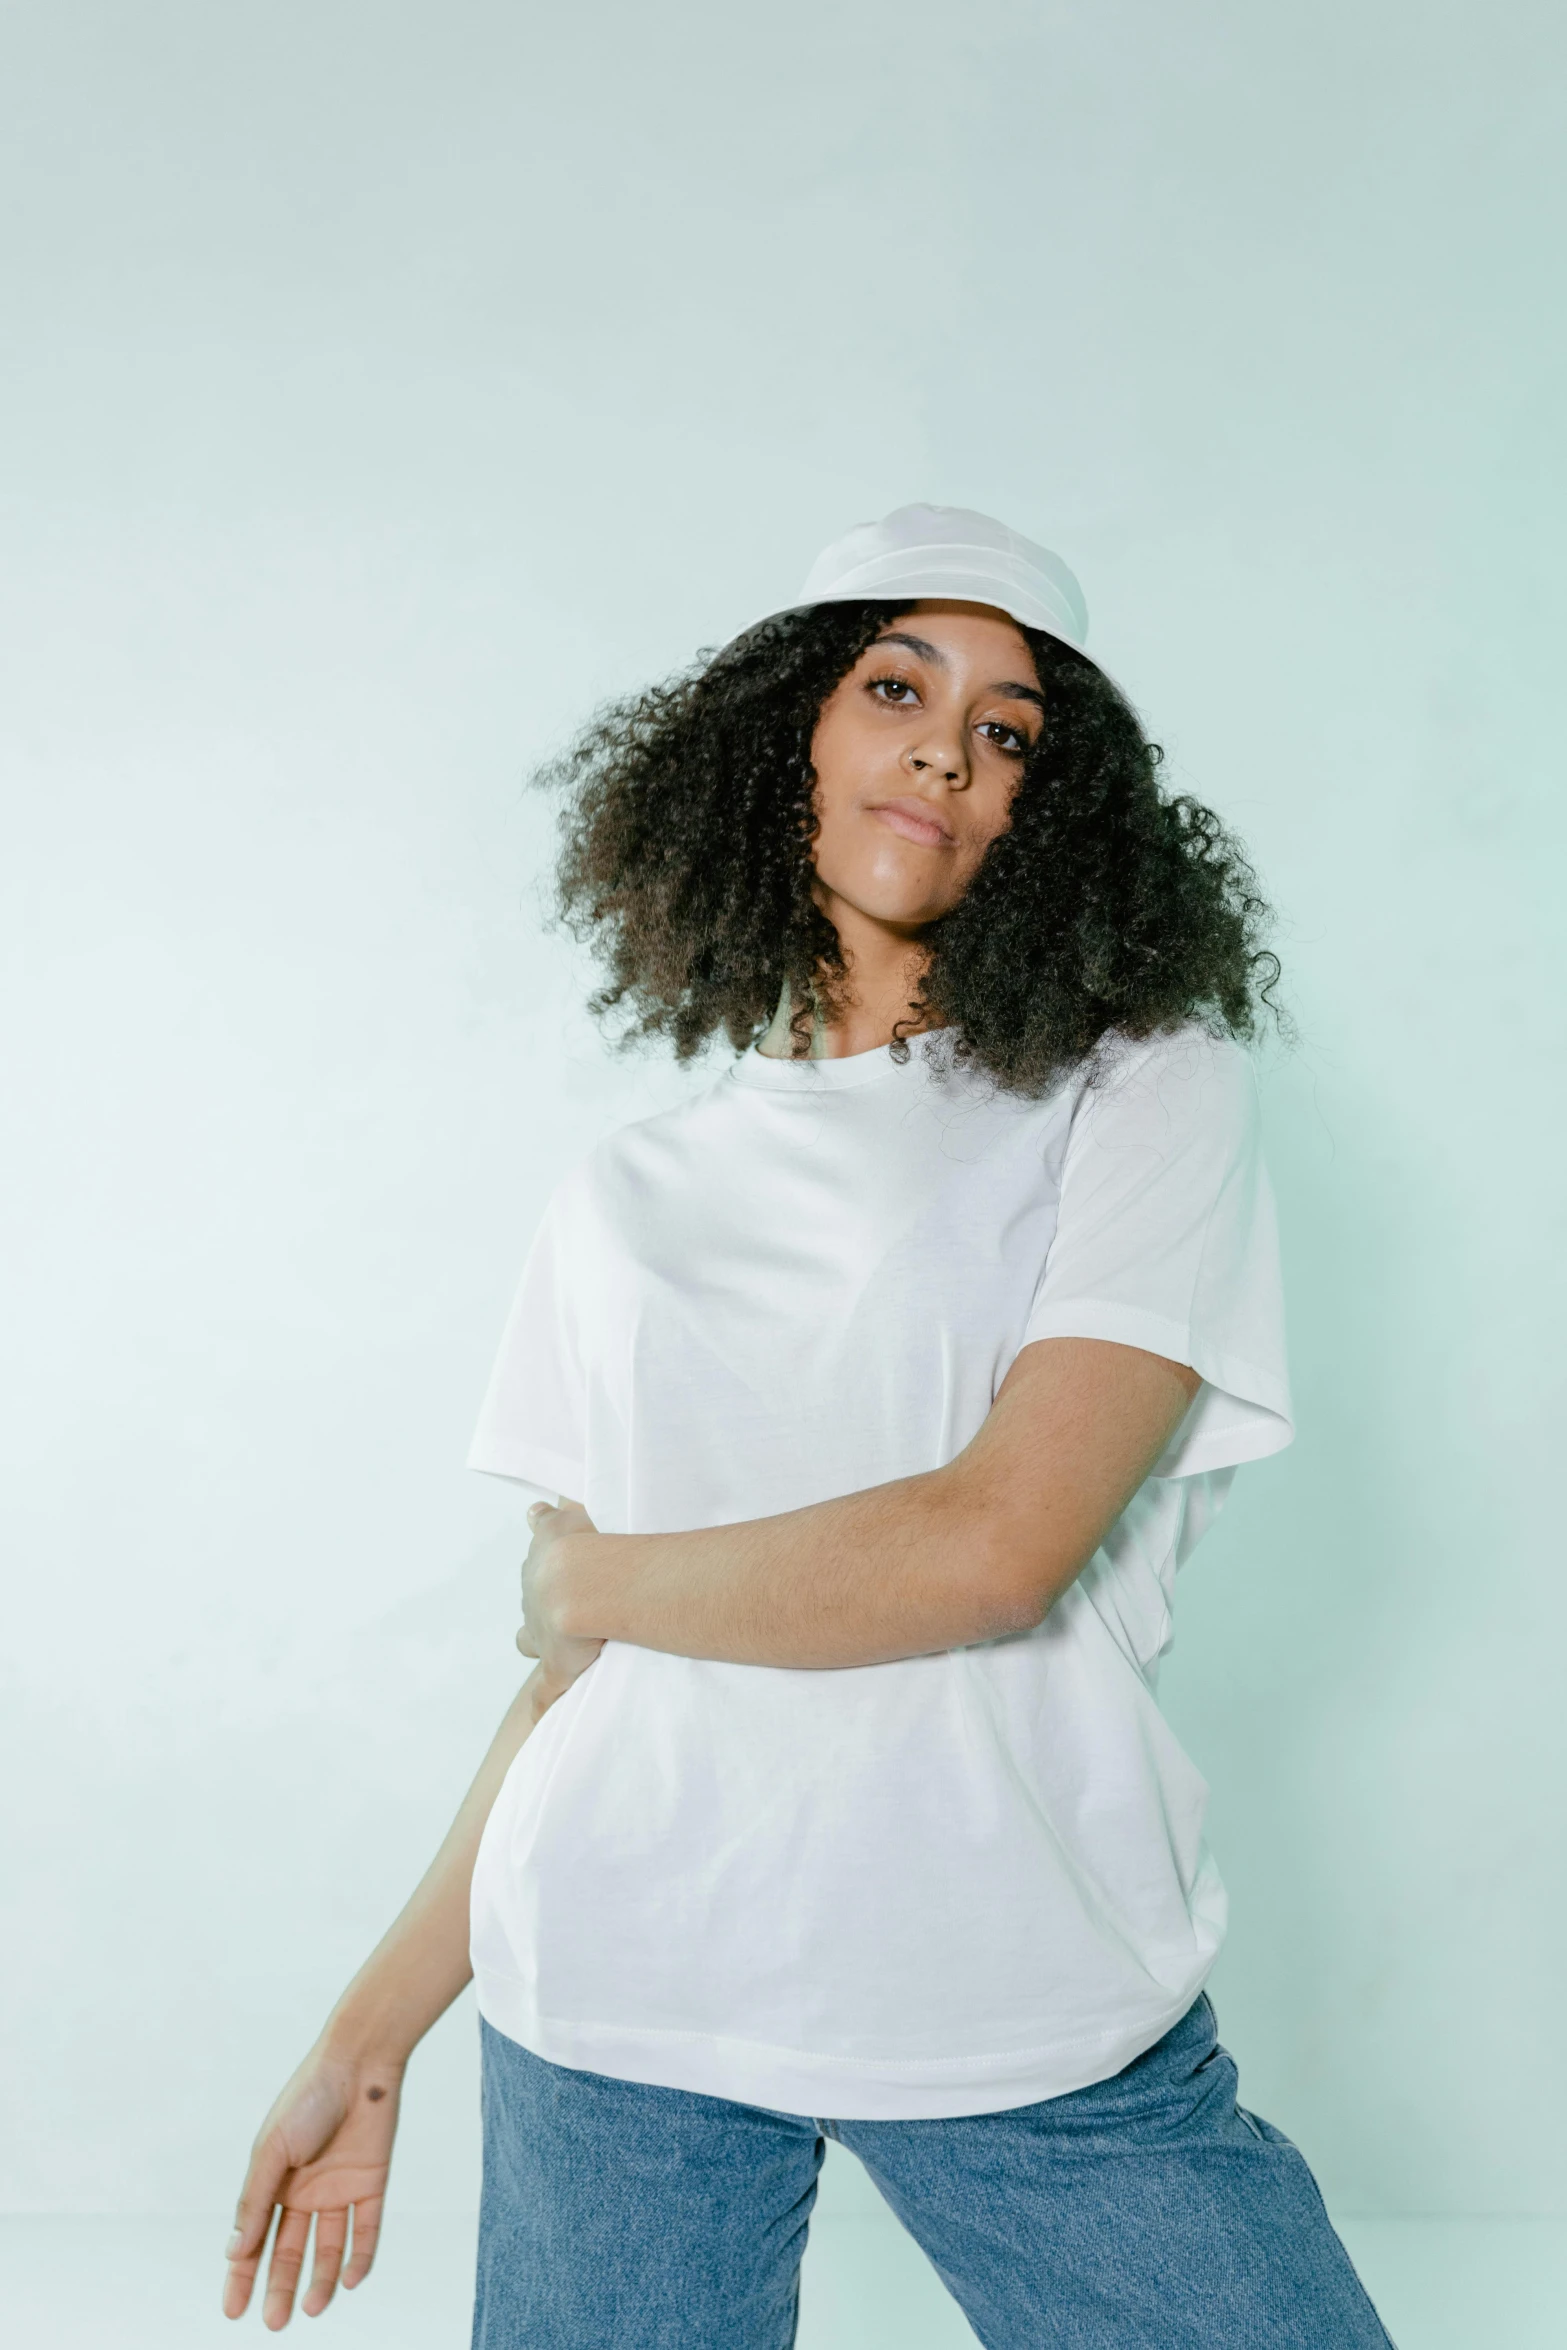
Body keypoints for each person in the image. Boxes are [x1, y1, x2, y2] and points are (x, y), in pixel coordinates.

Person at [223, 505, 1393, 2347]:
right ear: (787, 737)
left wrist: (595, 1572)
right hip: (609, 1998)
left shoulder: (1138, 1087)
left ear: (1049, 812)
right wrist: (367, 2038)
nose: (947, 742)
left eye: (1010, 729)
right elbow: (577, 1690)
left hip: (1023, 1991)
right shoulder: (625, 1194)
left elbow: (993, 1546)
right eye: (893, 684)